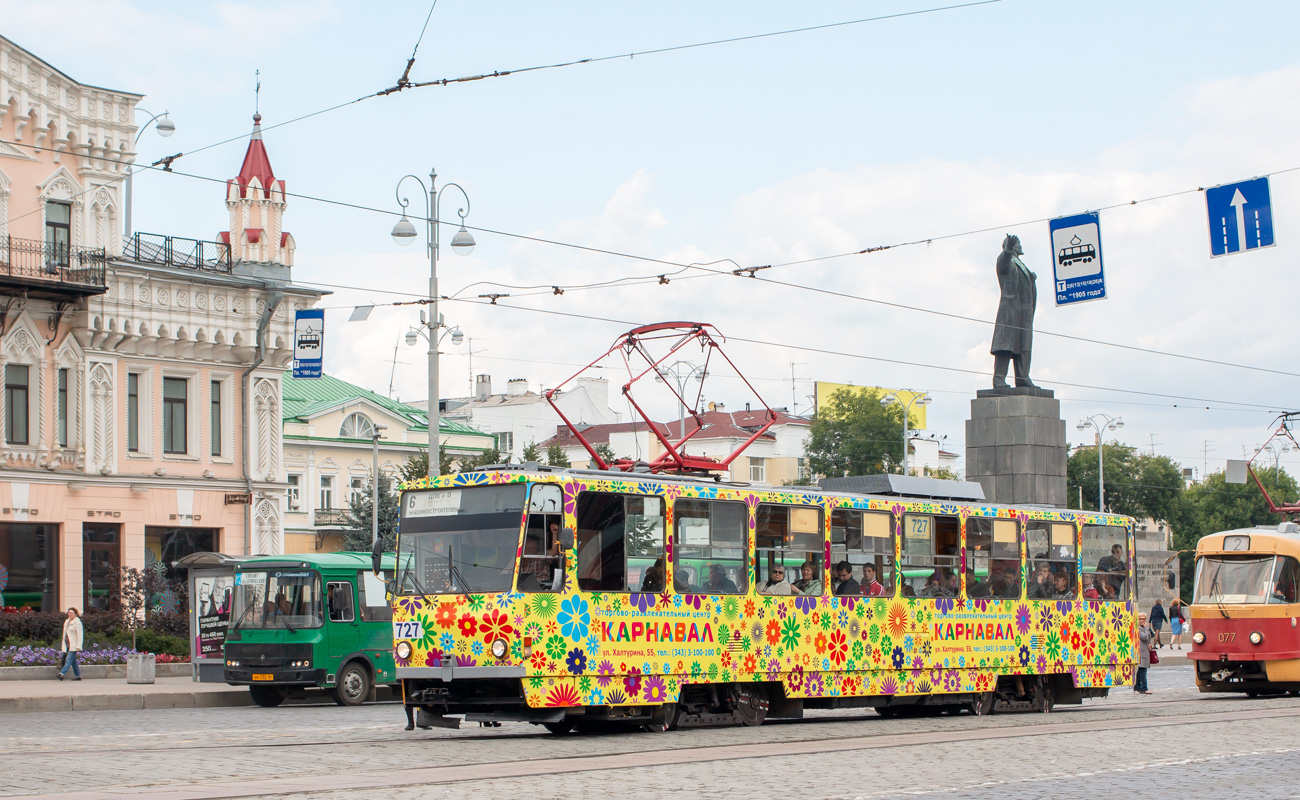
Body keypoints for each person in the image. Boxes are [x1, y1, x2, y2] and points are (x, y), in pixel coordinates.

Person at [991, 233, 1038, 389]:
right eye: (1016, 243)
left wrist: (1031, 278)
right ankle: (999, 380)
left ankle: (1022, 377)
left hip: (1024, 313)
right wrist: (1008, 248)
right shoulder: (1006, 260)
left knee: (1023, 346)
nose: (1020, 245)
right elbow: (1002, 263)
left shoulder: (1021, 264)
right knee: (1005, 346)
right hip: (1010, 311)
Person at [57, 607, 83, 681]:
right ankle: (78, 675)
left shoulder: (77, 622)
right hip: (67, 645)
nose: (70, 614)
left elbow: (80, 635)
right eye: (69, 613)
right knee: (73, 661)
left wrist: (78, 646)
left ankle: (61, 674)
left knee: (68, 660)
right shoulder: (67, 621)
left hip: (73, 645)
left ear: (75, 614)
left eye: (71, 613)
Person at [1135, 612, 1154, 694]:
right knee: (1142, 669)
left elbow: (1150, 636)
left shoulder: (1143, 627)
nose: (1142, 620)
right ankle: (1143, 688)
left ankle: (1137, 687)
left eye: (1144, 619)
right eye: (1140, 619)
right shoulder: (1139, 628)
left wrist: (1149, 643)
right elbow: (1144, 637)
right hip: (1141, 651)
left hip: (1144, 650)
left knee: (1141, 670)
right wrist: (1146, 629)